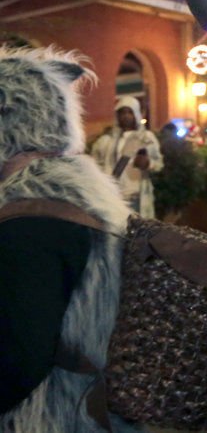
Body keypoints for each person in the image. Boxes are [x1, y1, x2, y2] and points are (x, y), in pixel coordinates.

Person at [0, 47, 138, 430]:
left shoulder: (28, 218)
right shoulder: (85, 196)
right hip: (104, 407)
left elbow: (18, 360)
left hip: (57, 416)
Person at [90, 95, 163, 218]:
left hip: (135, 197)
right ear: (117, 115)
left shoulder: (146, 138)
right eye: (122, 112)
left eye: (130, 112)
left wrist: (148, 163)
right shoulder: (105, 141)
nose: (126, 116)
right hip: (113, 197)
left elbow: (159, 164)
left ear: (136, 114)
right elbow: (95, 166)